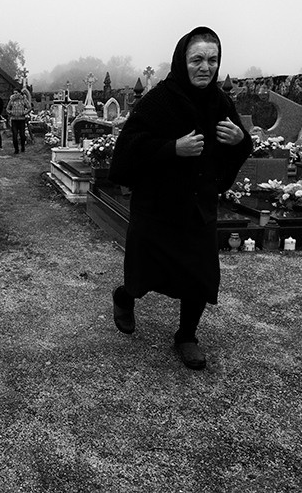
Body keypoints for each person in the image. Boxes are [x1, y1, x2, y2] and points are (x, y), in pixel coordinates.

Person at [108, 26, 253, 370]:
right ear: (182, 61)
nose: (206, 67)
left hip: (198, 206)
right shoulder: (160, 100)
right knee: (145, 272)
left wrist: (240, 141)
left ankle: (186, 336)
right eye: (197, 59)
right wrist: (173, 148)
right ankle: (124, 296)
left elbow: (239, 146)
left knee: (199, 275)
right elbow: (127, 151)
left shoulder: (220, 102)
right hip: (157, 207)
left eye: (212, 60)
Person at [6, 87, 31, 154]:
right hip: (14, 120)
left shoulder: (23, 99)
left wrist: (24, 112)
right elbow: (7, 109)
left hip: (21, 120)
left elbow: (29, 107)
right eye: (14, 93)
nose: (15, 95)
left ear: (20, 93)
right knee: (15, 135)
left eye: (16, 93)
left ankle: (22, 146)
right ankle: (16, 149)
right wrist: (11, 112)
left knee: (22, 135)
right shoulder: (11, 100)